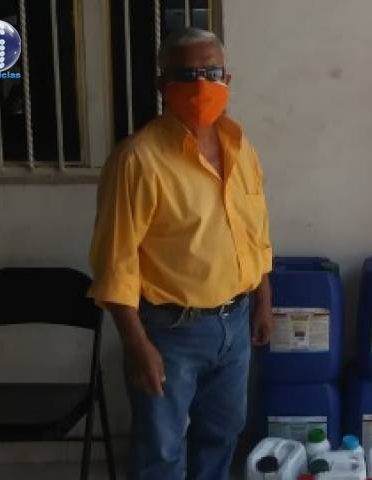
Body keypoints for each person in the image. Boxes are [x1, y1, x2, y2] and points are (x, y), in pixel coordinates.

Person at [87, 28, 274, 480]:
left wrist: (263, 297)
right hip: (170, 333)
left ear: (227, 79)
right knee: (161, 450)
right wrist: (137, 346)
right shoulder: (138, 160)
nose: (201, 84)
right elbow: (115, 264)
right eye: (186, 74)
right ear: (162, 85)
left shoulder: (240, 146)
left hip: (235, 323)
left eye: (211, 72)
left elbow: (255, 231)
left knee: (222, 435)